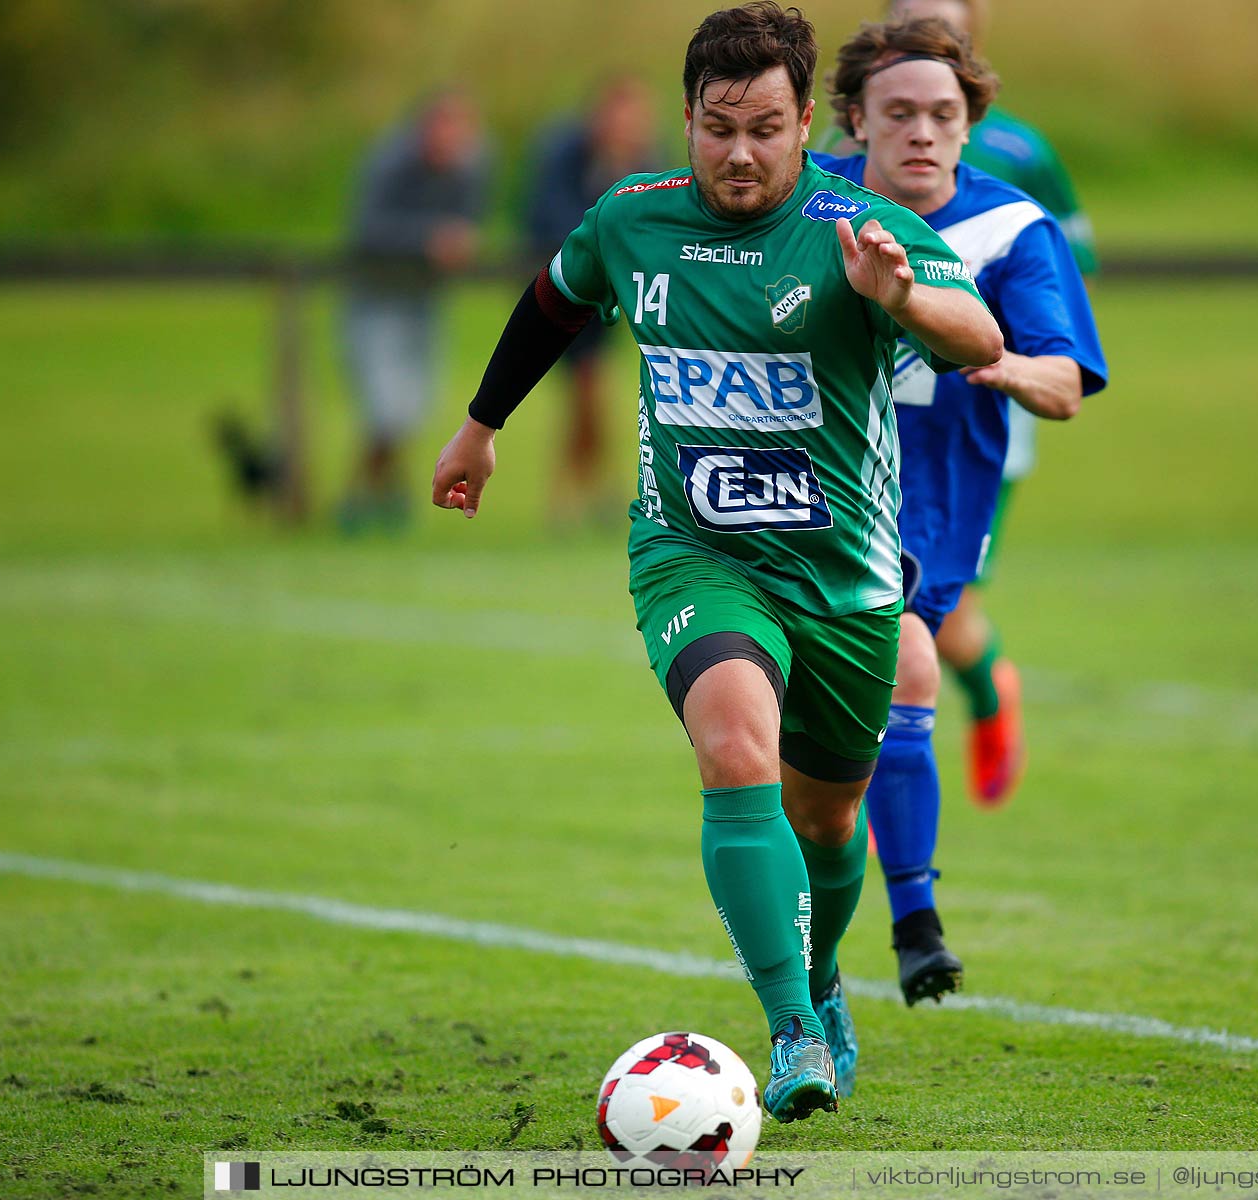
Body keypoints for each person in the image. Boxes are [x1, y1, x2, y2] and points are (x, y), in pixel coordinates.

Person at [430, 2, 1001, 1121]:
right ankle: (790, 1028)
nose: (740, 152)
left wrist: (901, 296)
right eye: (718, 125)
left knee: (830, 823)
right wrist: (481, 426)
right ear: (688, 118)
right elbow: (554, 301)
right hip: (694, 555)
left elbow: (979, 338)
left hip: (843, 579)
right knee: (735, 746)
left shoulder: (860, 232)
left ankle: (822, 983)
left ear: (803, 129)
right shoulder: (633, 220)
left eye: (767, 129)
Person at [813, 15, 1106, 1004]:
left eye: (944, 115)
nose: (923, 133)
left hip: (933, 499)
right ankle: (902, 926)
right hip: (801, 491)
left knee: (903, 662)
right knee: (833, 709)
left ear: (971, 121)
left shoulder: (1012, 226)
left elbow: (1067, 384)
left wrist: (1007, 361)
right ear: (854, 120)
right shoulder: (807, 203)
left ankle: (908, 924)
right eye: (901, 114)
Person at [341, 91, 491, 533]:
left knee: (411, 406)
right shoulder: (389, 163)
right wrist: (427, 239)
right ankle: (368, 496)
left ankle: (374, 496)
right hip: (376, 299)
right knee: (386, 407)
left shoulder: (470, 168)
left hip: (425, 302)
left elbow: (467, 223)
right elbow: (366, 229)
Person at [522, 76, 660, 529]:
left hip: (611, 292)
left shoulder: (644, 163)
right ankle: (574, 493)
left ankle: (581, 491)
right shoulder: (564, 155)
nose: (626, 127)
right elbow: (550, 219)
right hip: (561, 285)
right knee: (587, 391)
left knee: (589, 394)